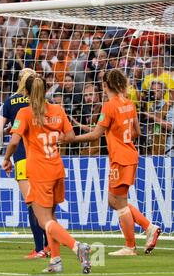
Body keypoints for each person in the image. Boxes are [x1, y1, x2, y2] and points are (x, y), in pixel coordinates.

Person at [61, 69, 161, 256]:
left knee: (119, 203)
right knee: (113, 201)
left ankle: (131, 246)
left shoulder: (109, 106)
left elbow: (96, 134)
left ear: (105, 85)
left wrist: (71, 139)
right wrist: (121, 139)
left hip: (120, 158)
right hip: (129, 154)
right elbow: (136, 132)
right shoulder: (130, 104)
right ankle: (149, 228)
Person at [2, 74, 91, 274]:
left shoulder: (24, 113)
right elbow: (71, 136)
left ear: (26, 92)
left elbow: (14, 141)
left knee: (44, 220)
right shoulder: (58, 110)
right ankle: (55, 260)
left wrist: (7, 159)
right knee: (51, 217)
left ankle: (77, 247)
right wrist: (53, 137)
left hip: (40, 172)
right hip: (57, 168)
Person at [0, 68, 49, 259]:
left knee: (32, 204)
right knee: (45, 203)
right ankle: (50, 245)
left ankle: (39, 248)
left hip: (23, 158)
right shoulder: (42, 102)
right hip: (44, 157)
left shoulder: (11, 102)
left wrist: (11, 130)